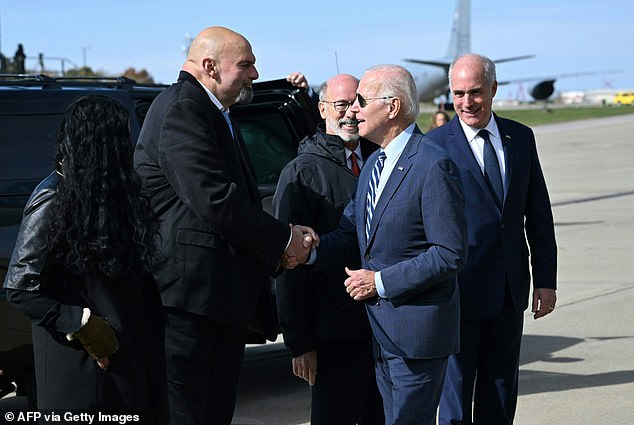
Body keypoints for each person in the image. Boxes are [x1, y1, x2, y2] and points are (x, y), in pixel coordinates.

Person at [133, 26, 316, 425]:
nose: (254, 74)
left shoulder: (211, 110)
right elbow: (215, 199)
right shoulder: (184, 108)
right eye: (246, 65)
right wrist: (284, 240)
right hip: (187, 304)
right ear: (210, 66)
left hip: (212, 302)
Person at [314, 64, 468, 425]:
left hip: (417, 336)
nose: (354, 110)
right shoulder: (373, 164)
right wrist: (308, 249)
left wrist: (379, 282)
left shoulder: (432, 164)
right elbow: (352, 230)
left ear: (393, 107)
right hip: (381, 335)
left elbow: (450, 253)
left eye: (362, 101)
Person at [3, 95, 169, 423]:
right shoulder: (53, 196)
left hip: (126, 360)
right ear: (101, 145)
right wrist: (79, 323)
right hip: (82, 370)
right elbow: (21, 287)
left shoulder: (106, 194)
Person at [425, 53, 558, 425]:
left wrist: (545, 280)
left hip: (509, 292)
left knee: (500, 393)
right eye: (459, 93)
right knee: (455, 396)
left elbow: (539, 214)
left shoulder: (521, 138)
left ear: (494, 88)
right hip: (457, 295)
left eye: (476, 92)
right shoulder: (433, 146)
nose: (467, 102)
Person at [273, 73, 383, 425]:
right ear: (322, 110)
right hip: (334, 335)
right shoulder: (301, 173)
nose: (351, 112)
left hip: (383, 331)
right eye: (341, 104)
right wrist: (300, 342)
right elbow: (288, 264)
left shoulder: (383, 160)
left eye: (358, 103)